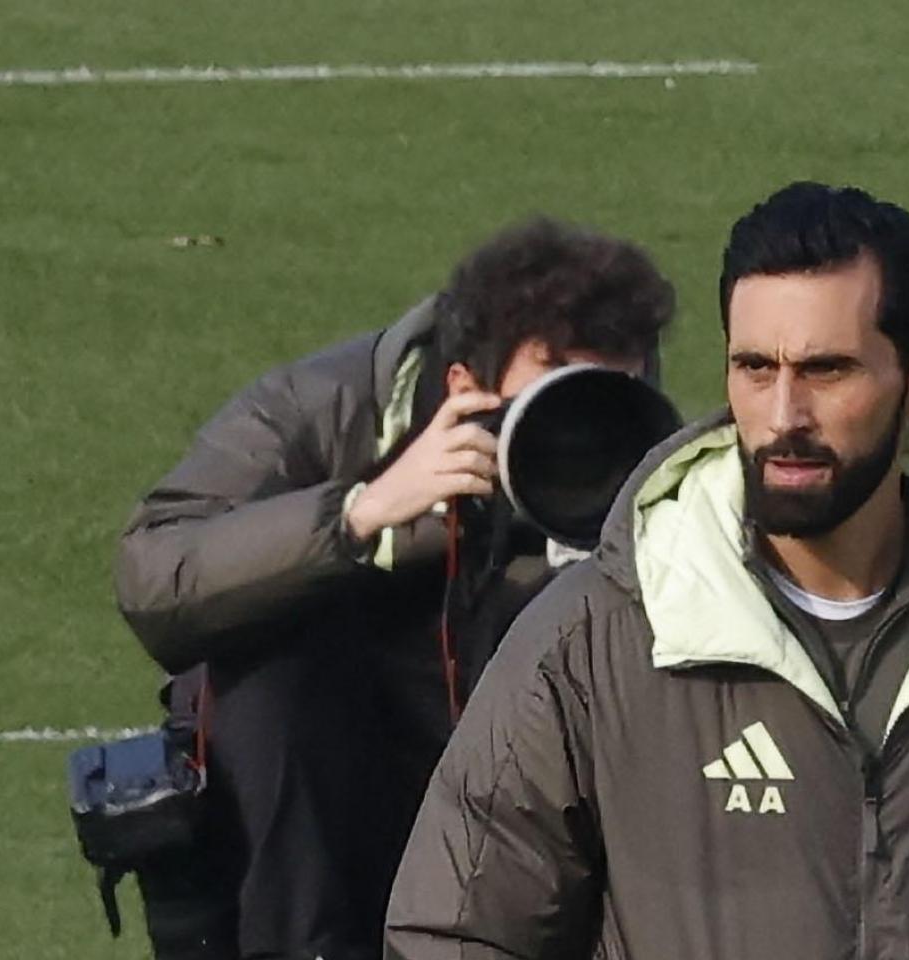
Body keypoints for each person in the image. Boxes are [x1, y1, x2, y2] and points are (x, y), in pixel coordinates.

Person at [384, 181, 909, 959]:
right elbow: (457, 934)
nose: (784, 415)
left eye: (826, 370)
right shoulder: (591, 642)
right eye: (755, 368)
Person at [113, 217, 675, 960]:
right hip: (341, 790)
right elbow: (155, 574)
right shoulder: (323, 412)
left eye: (608, 390)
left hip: (526, 808)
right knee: (264, 637)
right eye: (553, 395)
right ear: (464, 388)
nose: (576, 428)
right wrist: (360, 516)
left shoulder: (638, 450)